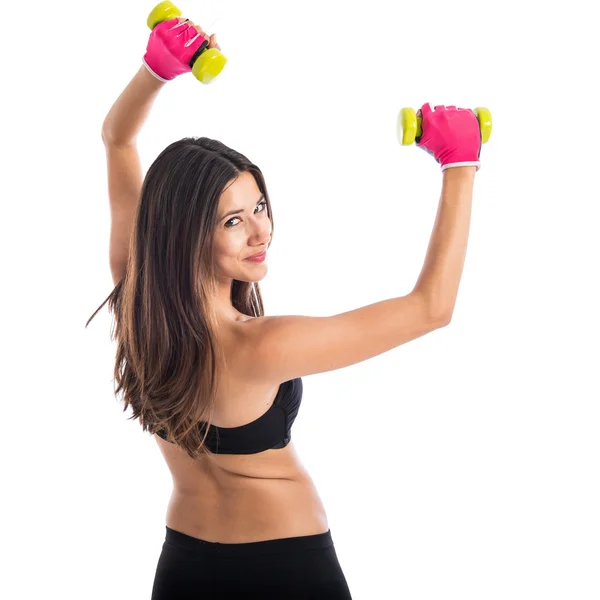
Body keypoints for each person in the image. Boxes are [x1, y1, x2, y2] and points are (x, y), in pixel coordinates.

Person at [86, 14, 483, 600]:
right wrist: (461, 163)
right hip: (287, 570)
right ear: (186, 232)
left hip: (185, 564)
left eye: (260, 207)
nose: (260, 232)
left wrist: (157, 68)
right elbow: (431, 308)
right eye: (232, 220)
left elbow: (117, 138)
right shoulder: (259, 346)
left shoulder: (135, 295)